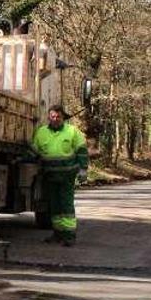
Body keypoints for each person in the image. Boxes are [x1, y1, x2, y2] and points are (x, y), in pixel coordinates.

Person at [31, 105, 89, 247]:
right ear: (48, 117)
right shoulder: (41, 132)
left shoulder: (72, 132)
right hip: (50, 175)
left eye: (58, 117)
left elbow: (81, 150)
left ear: (63, 118)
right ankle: (57, 233)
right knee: (54, 205)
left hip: (67, 176)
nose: (55, 119)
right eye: (53, 117)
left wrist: (83, 170)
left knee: (66, 205)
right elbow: (35, 151)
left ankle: (69, 235)